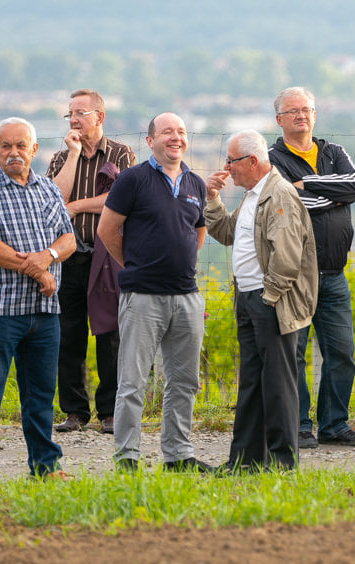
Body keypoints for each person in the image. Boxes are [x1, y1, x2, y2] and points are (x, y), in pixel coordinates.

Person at [0, 117, 76, 478]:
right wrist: (38, 269)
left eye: (21, 146)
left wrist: (50, 257)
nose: (14, 153)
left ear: (34, 150)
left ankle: (45, 465)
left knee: (41, 394)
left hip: (44, 311)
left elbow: (68, 239)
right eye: (6, 147)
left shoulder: (48, 189)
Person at [96, 112, 211, 472]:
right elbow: (107, 230)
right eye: (167, 132)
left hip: (187, 297)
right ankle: (127, 457)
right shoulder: (133, 179)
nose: (175, 138)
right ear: (150, 141)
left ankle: (178, 455)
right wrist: (133, 265)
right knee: (132, 381)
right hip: (143, 296)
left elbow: (198, 232)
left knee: (184, 381)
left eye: (181, 132)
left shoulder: (196, 183)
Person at [204, 130, 317, 472]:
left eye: (231, 160)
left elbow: (286, 255)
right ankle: (245, 460)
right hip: (249, 298)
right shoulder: (253, 196)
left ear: (252, 161)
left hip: (269, 301)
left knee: (278, 382)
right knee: (252, 381)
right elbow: (226, 232)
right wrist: (212, 199)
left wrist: (268, 297)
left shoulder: (278, 195)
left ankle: (282, 462)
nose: (228, 167)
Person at [268, 86, 355, 449]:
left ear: (315, 114)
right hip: (294, 275)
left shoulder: (333, 151)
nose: (301, 116)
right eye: (292, 111)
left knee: (341, 352)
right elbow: (287, 202)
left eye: (306, 109)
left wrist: (307, 184)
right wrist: (333, 196)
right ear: (279, 119)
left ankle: (334, 425)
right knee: (293, 355)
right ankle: (298, 426)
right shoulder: (271, 160)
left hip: (334, 273)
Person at [47, 89, 136, 434]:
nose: (73, 120)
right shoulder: (60, 158)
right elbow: (55, 198)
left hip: (106, 256)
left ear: (99, 116)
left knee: (108, 332)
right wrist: (72, 155)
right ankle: (74, 411)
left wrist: (78, 206)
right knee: (68, 334)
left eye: (80, 113)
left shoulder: (120, 153)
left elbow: (120, 198)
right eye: (69, 114)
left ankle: (110, 411)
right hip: (69, 255)